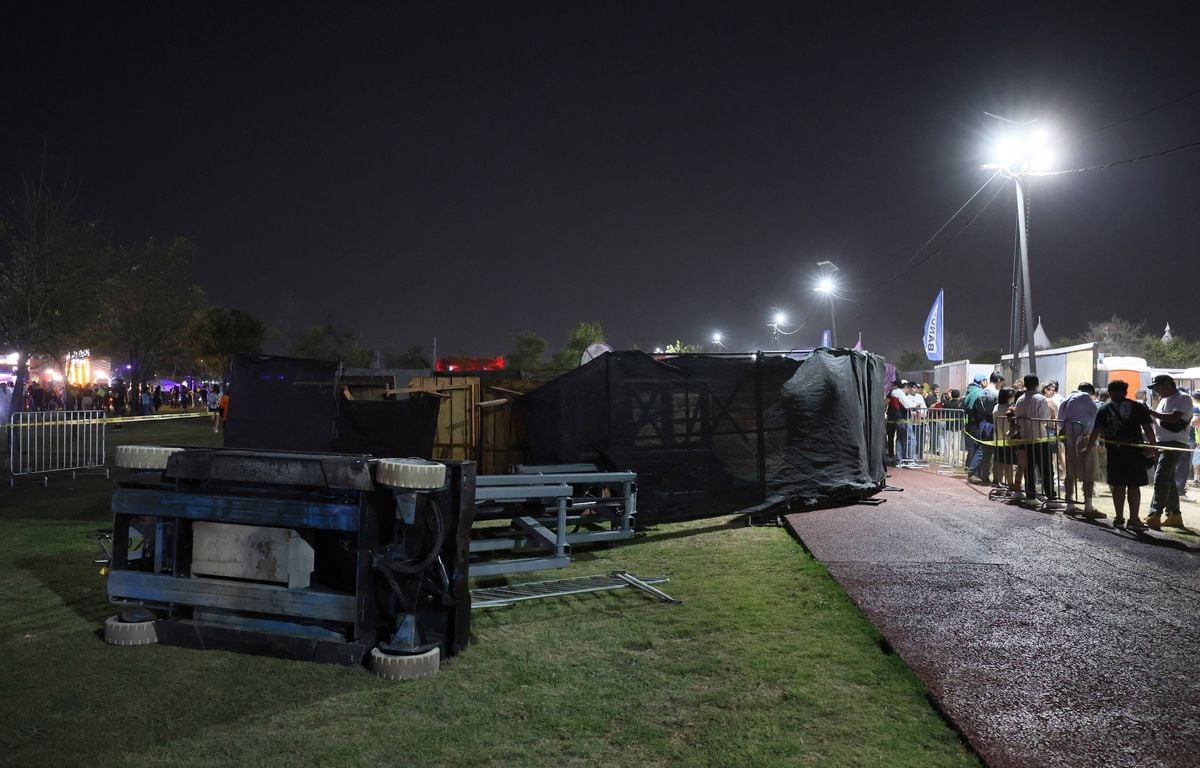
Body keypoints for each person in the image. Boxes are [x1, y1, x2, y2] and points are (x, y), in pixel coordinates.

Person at [1091, 379, 1156, 529]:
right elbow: (1148, 429)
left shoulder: (1104, 409)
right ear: (1126, 392)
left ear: (1110, 392)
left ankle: (1119, 518)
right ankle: (1133, 520)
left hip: (1114, 453)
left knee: (1118, 486)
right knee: (1134, 486)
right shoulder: (1137, 407)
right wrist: (1154, 448)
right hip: (1134, 453)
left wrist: (1088, 447)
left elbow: (1095, 431)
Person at [1145, 374, 1191, 529]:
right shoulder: (1163, 400)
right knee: (1168, 479)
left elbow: (1173, 418)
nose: (1156, 390)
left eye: (1158, 387)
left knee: (1161, 477)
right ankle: (1174, 515)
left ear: (1168, 384)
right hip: (1162, 443)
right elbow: (1158, 420)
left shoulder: (1183, 398)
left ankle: (1154, 514)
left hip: (1174, 443)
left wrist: (1150, 411)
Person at [1058, 382, 1102, 517]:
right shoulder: (1085, 397)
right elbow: (1097, 415)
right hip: (1085, 439)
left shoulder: (1065, 399)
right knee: (1089, 472)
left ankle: (1070, 504)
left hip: (1069, 439)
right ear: (1090, 392)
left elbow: (1060, 421)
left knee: (1070, 472)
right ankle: (1088, 506)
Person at [1013, 374, 1053, 499]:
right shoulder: (1040, 399)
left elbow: (1017, 419)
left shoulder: (1020, 400)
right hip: (1040, 437)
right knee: (1045, 468)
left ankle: (1031, 495)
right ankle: (1050, 495)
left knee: (1029, 468)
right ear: (1037, 384)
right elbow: (1045, 418)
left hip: (1026, 438)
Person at [992, 387, 1017, 494]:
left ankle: (999, 484)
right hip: (1008, 439)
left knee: (1000, 463)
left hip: (998, 439)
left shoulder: (996, 407)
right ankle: (1010, 484)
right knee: (1008, 464)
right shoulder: (1009, 409)